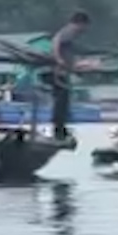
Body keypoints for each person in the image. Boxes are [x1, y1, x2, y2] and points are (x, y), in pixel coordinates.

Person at [49, 10, 91, 140]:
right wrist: (58, 59)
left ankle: (60, 129)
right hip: (60, 73)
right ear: (80, 23)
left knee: (63, 101)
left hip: (64, 72)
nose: (85, 29)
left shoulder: (69, 33)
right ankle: (58, 130)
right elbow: (56, 41)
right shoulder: (69, 31)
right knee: (61, 102)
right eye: (85, 26)